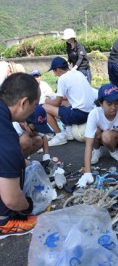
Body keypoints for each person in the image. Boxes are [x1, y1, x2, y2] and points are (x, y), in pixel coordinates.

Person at [0, 73, 40, 237]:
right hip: (10, 202)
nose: (34, 110)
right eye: (35, 105)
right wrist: (27, 205)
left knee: (20, 163)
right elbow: (11, 199)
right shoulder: (7, 138)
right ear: (23, 103)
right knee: (17, 167)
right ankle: (3, 220)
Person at [77, 83, 118, 188]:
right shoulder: (94, 114)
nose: (114, 107)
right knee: (95, 132)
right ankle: (97, 151)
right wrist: (87, 172)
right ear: (101, 103)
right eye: (109, 104)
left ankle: (113, 152)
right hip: (101, 136)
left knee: (106, 135)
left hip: (117, 139)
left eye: (117, 103)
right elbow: (88, 143)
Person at [42, 56, 95, 147]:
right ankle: (69, 131)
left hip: (80, 115)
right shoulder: (78, 73)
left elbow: (56, 103)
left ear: (58, 69)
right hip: (91, 112)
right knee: (64, 103)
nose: (54, 74)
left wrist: (46, 100)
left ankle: (60, 136)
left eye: (54, 71)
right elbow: (69, 96)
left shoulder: (62, 79)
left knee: (44, 108)